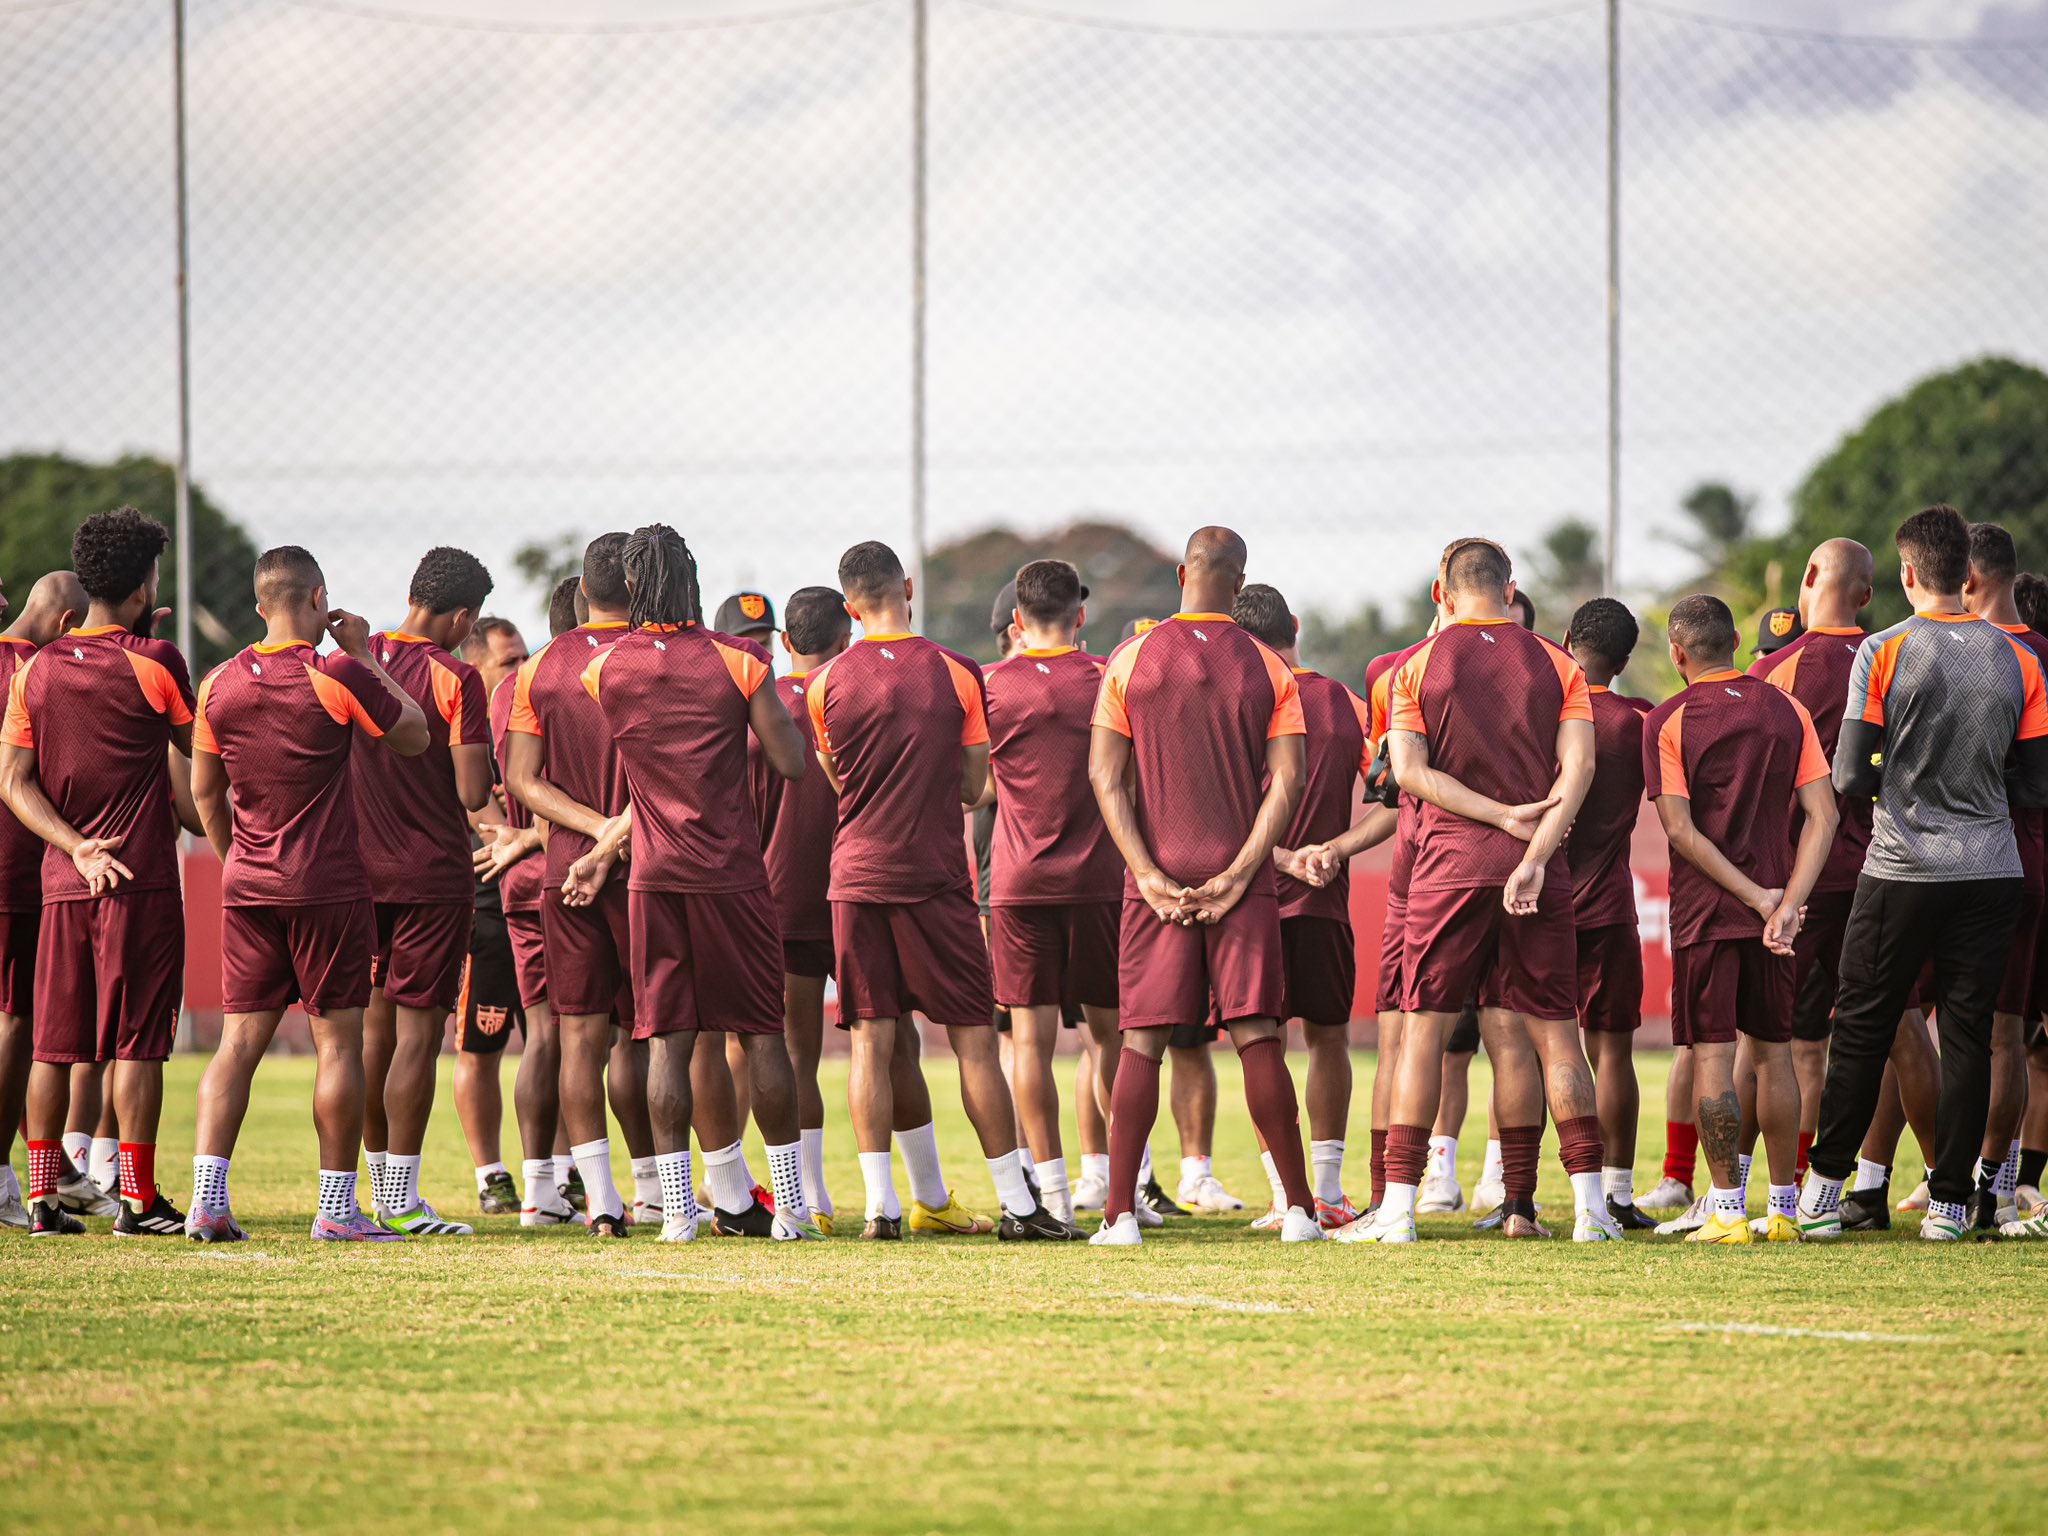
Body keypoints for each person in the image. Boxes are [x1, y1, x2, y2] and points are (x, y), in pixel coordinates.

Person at [1345, 537, 1614, 1244]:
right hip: (1540, 867)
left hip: (1447, 867)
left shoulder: (1416, 666)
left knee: (1423, 1037)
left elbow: (1407, 773)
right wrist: (1533, 850)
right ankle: (1587, 1211)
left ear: (1441, 590)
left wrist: (1494, 817)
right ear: (1511, 586)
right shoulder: (1558, 664)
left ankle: (1399, 1211)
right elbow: (1579, 769)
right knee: (1555, 1038)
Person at [561, 525, 823, 1243]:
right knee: (762, 1037)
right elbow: (793, 763)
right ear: (693, 580)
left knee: (667, 1041)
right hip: (733, 874)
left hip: (652, 876)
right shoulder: (739, 662)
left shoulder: (604, 670)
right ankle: (792, 1210)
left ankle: (678, 1210)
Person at [1799, 505, 2048, 1242]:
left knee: (1863, 1028)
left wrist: (1898, 779)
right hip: (1993, 868)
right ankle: (1948, 1204)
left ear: (1908, 574)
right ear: (1966, 577)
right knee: (1970, 1035)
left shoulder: (1881, 651)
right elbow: (2035, 785)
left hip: (1902, 865)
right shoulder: (2022, 659)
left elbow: (1850, 770)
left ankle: (1825, 1190)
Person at [810, 540, 1068, 1241]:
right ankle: (1019, 1204)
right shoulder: (958, 674)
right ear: (909, 587)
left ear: (848, 606)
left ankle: (880, 1208)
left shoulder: (824, 683)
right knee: (975, 1044)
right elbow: (974, 786)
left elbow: (837, 777)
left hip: (856, 875)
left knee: (869, 1043)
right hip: (935, 878)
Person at [183, 547, 431, 1240]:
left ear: (261, 606)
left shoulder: (218, 683)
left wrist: (238, 861)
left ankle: (207, 1201)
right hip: (328, 885)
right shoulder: (336, 672)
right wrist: (367, 655)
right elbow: (414, 737)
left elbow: (206, 790)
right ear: (319, 599)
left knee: (236, 1045)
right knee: (338, 1045)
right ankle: (337, 1209)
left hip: (249, 888)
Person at [1087, 526, 1321, 1246]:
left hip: (1156, 878)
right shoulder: (1269, 668)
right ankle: (1303, 1215)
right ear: (1241, 578)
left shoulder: (1131, 657)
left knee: (1141, 1043)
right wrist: (1240, 873)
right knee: (1258, 1038)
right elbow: (1289, 780)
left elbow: (1105, 777)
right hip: (1240, 878)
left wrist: (1149, 875)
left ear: (1181, 573)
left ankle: (1119, 1215)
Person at [0, 508, 200, 1236]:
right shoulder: (160, 662)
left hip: (63, 881)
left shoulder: (36, 669)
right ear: (146, 585)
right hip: (139, 879)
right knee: (137, 1044)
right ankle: (139, 1200)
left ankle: (45, 1195)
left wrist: (74, 844)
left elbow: (14, 781)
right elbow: (200, 756)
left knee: (54, 1044)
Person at [1644, 595, 1836, 1244]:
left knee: (1713, 1056)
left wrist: (1756, 898)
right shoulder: (1788, 708)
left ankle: (1727, 1209)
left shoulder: (1667, 720)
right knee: (1776, 1055)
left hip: (1708, 913)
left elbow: (1679, 829)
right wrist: (1785, 900)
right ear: (1733, 642)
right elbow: (1825, 816)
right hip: (1779, 910)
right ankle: (1784, 1209)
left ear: (1677, 654)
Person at [504, 535, 664, 1236]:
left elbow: (522, 781)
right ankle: (656, 1191)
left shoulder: (537, 668)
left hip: (559, 873)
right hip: (641, 869)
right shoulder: (651, 661)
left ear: (581, 594)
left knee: (577, 1038)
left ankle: (599, 1201)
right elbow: (664, 776)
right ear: (636, 585)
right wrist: (613, 834)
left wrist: (588, 829)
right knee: (639, 1038)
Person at [351, 547, 495, 1236]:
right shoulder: (456, 678)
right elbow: (472, 794)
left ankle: (375, 1186)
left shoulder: (353, 657)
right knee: (417, 1037)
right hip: (431, 875)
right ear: (463, 615)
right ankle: (402, 1199)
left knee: (368, 1035)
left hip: (354, 872)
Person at [984, 560, 1124, 1229]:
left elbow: (979, 787)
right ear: (1080, 616)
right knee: (1113, 1038)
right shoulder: (1107, 679)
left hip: (1018, 884)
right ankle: (1122, 1191)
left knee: (1029, 1044)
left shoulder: (990, 686)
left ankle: (1056, 1198)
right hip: (1100, 882)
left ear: (1016, 621)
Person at [1743, 542, 1878, 1221]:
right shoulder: (1894, 658)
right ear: (1871, 592)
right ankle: (1954, 1195)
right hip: (1887, 871)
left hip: (1799, 879)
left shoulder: (1775, 671)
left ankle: (1754, 1194)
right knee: (1905, 1030)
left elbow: (1756, 786)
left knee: (1773, 1043)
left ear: (1806, 580)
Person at [1234, 582, 1371, 1229]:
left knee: (1260, 1044)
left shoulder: (1238, 699)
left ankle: (1283, 1194)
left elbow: (1216, 808)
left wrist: (1283, 858)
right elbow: (1402, 800)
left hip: (1251, 902)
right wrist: (1334, 849)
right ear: (1295, 625)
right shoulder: (1349, 703)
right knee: (1329, 1041)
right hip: (1325, 904)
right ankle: (1328, 1190)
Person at [475, 588, 582, 1225]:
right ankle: (648, 1190)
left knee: (544, 1038)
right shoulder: (593, 680)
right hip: (575, 874)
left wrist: (516, 833)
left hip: (520, 881)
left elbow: (505, 783)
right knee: (609, 1035)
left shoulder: (513, 692)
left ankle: (542, 1189)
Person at [753, 585, 850, 1230]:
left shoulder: (758, 704)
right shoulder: (856, 696)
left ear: (785, 643)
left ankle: (803, 1194)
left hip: (779, 896)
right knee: (886, 1046)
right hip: (855, 895)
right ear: (846, 642)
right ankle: (905, 1194)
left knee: (786, 1055)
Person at [1959, 523, 2048, 1229]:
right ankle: (1999, 1182)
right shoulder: (2043, 653)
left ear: (1970, 581)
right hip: (2033, 863)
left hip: (1982, 859)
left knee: (1977, 1032)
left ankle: (1967, 1188)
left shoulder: (1982, 658)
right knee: (2012, 1037)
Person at [1561, 598, 1656, 1229]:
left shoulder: (1542, 713)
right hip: (1612, 904)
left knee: (1535, 1048)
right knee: (1613, 1052)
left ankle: (1520, 1188)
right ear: (1624, 662)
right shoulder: (1639, 722)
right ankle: (1617, 1194)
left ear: (1566, 639)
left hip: (1541, 902)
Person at [0, 570, 87, 1230]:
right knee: (22, 1022)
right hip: (20, 869)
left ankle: (53, 1170)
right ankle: (13, 1173)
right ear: (65, 618)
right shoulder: (41, 669)